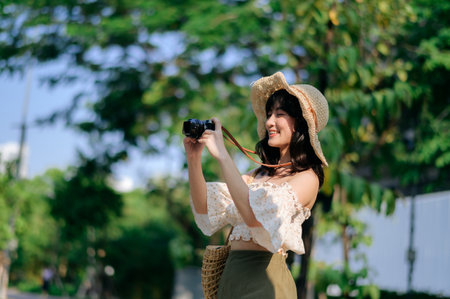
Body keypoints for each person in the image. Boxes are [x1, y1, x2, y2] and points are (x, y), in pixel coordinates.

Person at [184, 71, 329, 298]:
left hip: (266, 282)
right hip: (230, 280)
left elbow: (255, 218)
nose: (269, 121)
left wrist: (222, 155)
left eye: (279, 114)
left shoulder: (307, 177)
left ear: (299, 124)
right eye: (269, 114)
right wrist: (193, 159)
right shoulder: (256, 175)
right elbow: (204, 209)